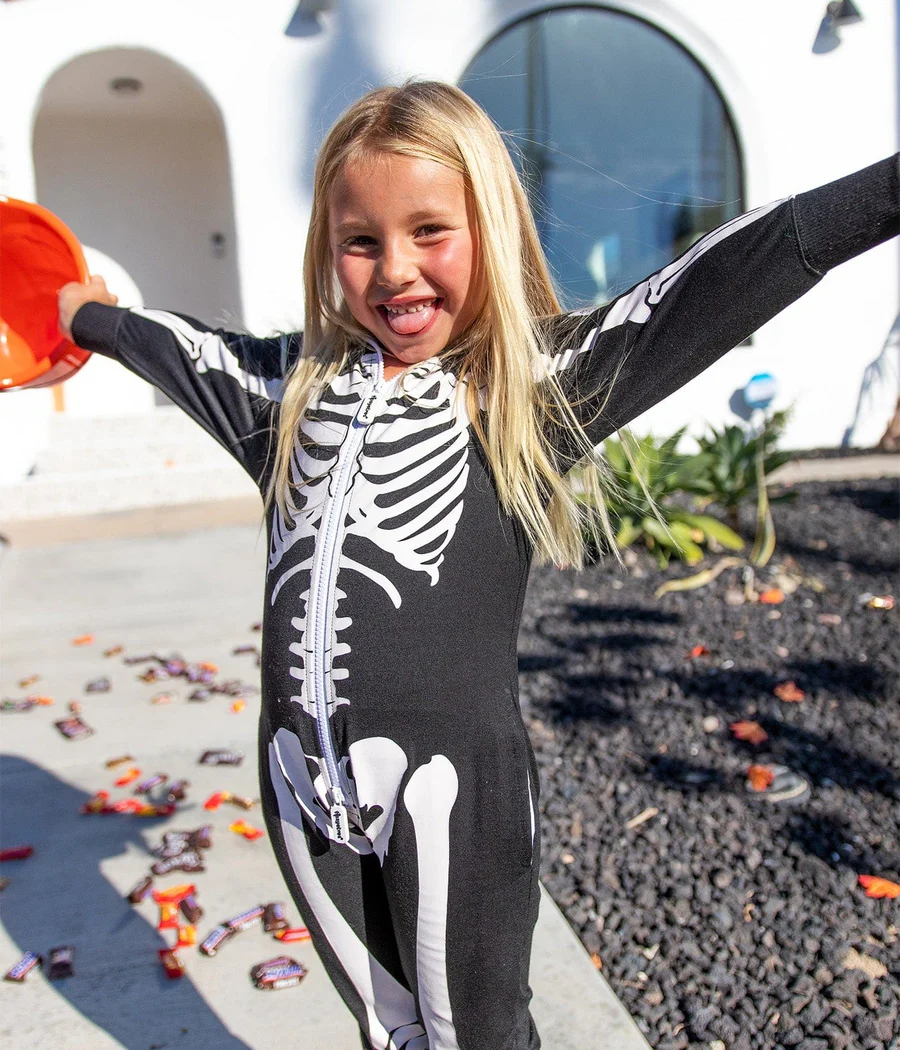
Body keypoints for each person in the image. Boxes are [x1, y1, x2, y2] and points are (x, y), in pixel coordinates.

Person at [58, 81, 898, 1050]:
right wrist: (81, 315)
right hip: (298, 779)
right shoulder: (285, 392)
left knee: (479, 1032)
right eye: (361, 240)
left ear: (488, 226)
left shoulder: (530, 382)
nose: (394, 270)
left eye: (430, 231)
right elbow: (170, 345)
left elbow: (728, 269)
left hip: (449, 788)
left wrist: (885, 193)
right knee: (388, 1027)